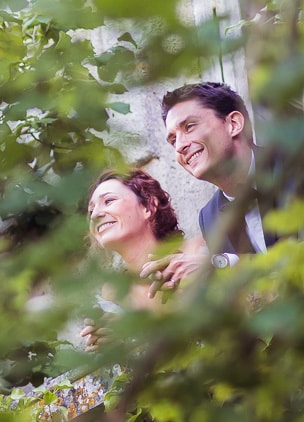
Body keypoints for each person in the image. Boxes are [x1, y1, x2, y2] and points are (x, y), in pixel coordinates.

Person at [141, 82, 277, 294]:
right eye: (173, 140)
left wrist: (219, 264)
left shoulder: (294, 168)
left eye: (189, 126)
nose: (180, 146)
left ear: (233, 123)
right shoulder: (210, 216)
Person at [80, 169, 182, 351]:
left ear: (148, 206)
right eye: (91, 210)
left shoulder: (192, 259)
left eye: (108, 201)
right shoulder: (111, 295)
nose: (95, 215)